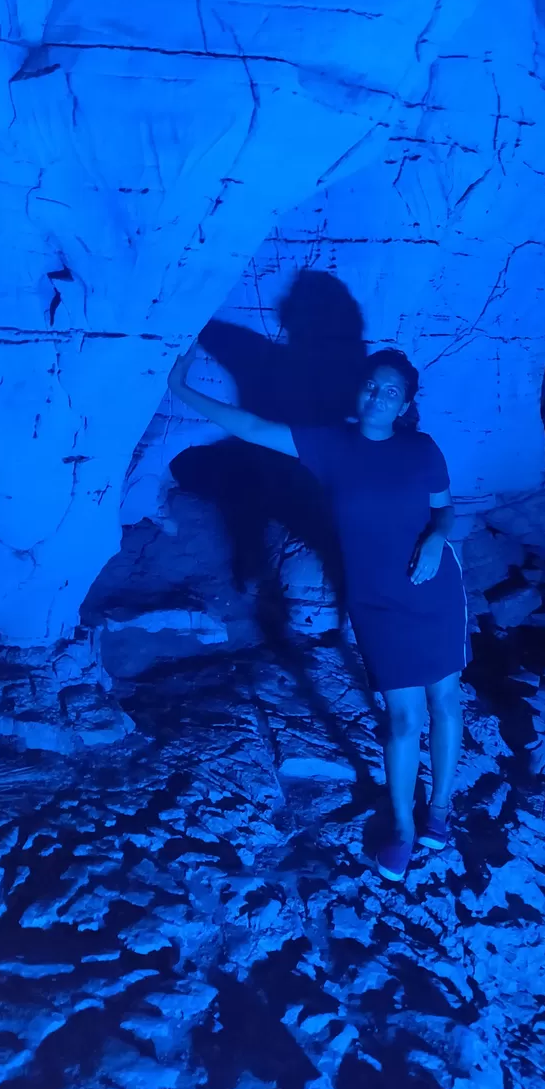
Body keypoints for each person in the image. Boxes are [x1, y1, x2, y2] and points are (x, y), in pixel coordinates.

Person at [167, 340, 468, 881]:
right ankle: (402, 828)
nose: (379, 396)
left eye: (391, 391)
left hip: (434, 588)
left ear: (405, 405)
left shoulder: (423, 449)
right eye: (372, 386)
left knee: (445, 701)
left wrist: (431, 542)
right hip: (377, 599)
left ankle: (440, 813)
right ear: (360, 393)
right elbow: (255, 427)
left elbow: (445, 513)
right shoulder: (331, 447)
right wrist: (181, 388)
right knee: (403, 720)